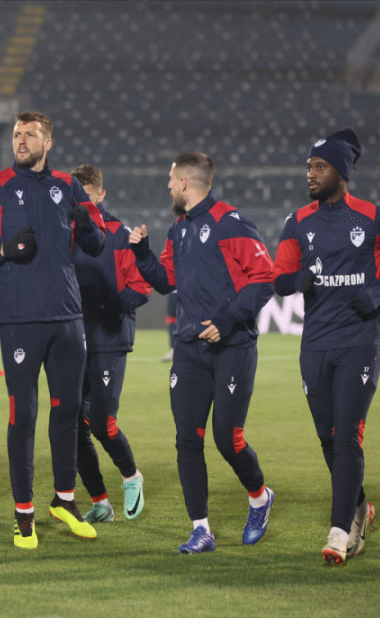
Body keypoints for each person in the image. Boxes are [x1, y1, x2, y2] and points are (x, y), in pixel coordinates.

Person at [0, 111, 106, 549]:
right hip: (20, 320)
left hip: (68, 317)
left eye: (30, 135)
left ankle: (64, 500)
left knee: (67, 412)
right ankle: (23, 514)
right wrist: (3, 249)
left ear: (47, 142)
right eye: (17, 134)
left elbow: (96, 245)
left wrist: (87, 223)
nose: (21, 141)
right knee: (24, 415)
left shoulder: (68, 186)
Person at [272, 128, 380, 565]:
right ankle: (359, 506)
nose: (311, 174)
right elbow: (279, 279)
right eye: (308, 167)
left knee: (348, 436)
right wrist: (297, 280)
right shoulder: (297, 222)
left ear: (341, 171)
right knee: (328, 439)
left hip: (360, 340)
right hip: (315, 343)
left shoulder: (376, 218)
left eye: (320, 166)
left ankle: (340, 532)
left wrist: (375, 293)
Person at [128, 152, 275, 554]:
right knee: (187, 441)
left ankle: (260, 497)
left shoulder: (231, 223)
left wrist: (228, 319)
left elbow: (264, 278)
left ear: (184, 183)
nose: (167, 186)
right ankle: (201, 529)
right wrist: (142, 254)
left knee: (228, 440)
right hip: (189, 349)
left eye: (170, 179)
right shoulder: (178, 229)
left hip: (232, 346)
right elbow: (165, 281)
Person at [69, 164, 150, 523]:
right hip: (72, 339)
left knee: (101, 423)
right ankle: (100, 502)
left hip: (108, 337)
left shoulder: (119, 235)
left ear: (101, 195)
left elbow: (141, 287)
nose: (81, 204)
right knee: (72, 425)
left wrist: (110, 304)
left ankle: (131, 476)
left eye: (87, 197)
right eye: (76, 198)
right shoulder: (65, 234)